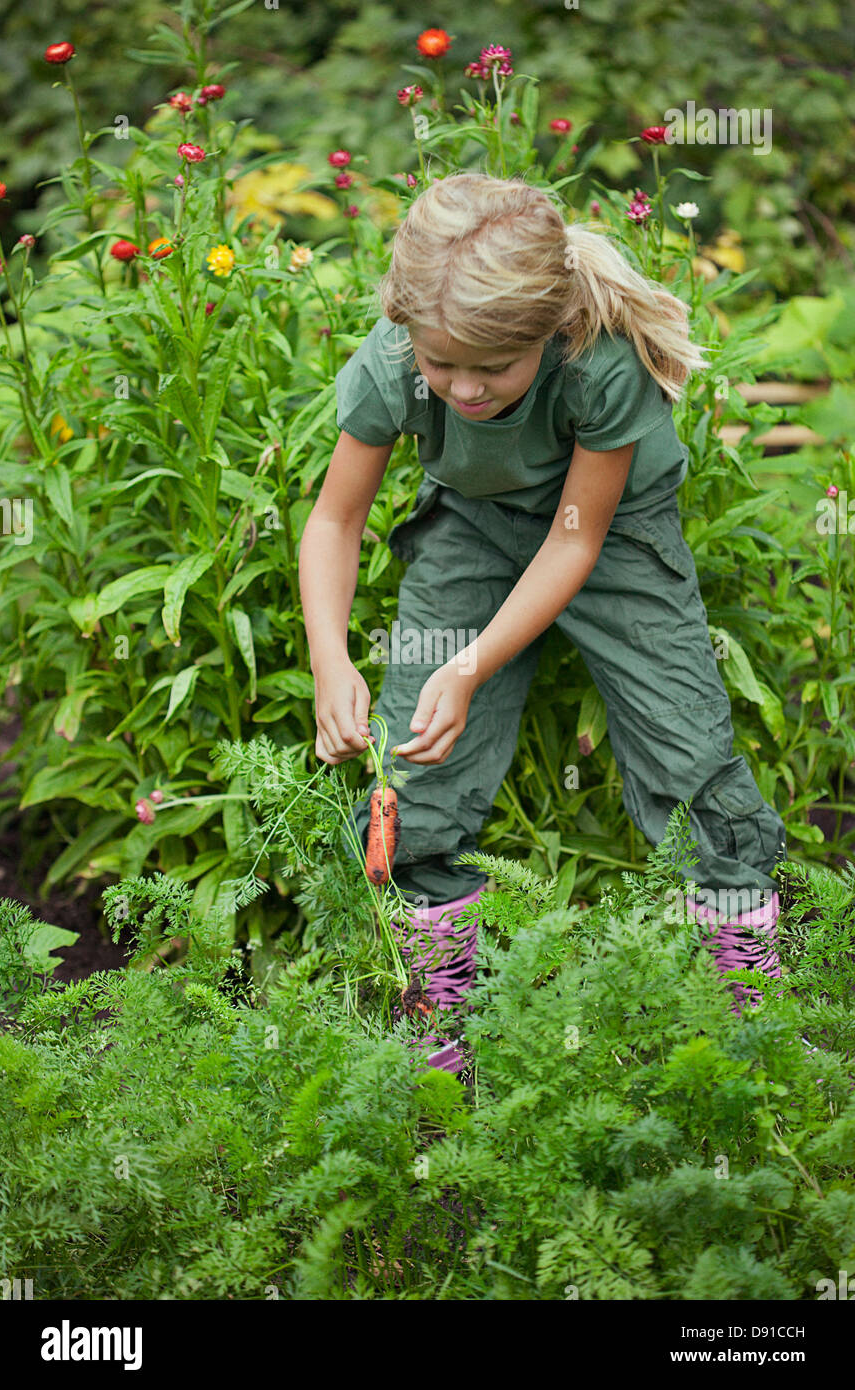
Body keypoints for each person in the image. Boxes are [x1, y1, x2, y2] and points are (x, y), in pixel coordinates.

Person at [298, 172, 787, 1071]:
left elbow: (573, 541)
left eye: (493, 370)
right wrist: (332, 659)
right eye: (443, 367)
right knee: (417, 760)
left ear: (547, 331)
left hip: (609, 530)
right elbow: (333, 522)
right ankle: (440, 1015)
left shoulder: (597, 360)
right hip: (471, 525)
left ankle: (742, 997)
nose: (464, 389)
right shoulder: (397, 360)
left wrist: (474, 663)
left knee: (687, 748)